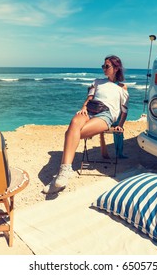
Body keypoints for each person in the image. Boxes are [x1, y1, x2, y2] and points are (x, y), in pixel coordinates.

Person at [43, 55, 129, 194]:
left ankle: (62, 175)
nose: (104, 68)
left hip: (106, 114)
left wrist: (120, 124)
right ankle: (64, 172)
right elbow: (89, 98)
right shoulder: (97, 81)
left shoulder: (122, 87)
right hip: (90, 110)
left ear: (116, 68)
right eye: (103, 66)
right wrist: (84, 107)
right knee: (75, 122)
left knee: (71, 133)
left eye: (107, 66)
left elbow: (124, 110)